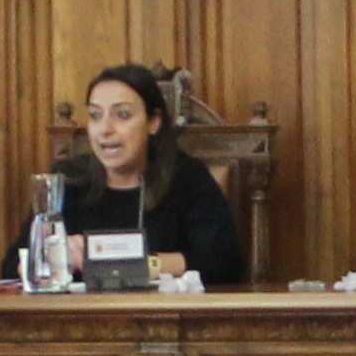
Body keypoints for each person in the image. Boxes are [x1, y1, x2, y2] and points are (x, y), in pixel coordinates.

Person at [60, 64, 245, 291]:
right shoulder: (68, 178)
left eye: (122, 115)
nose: (105, 129)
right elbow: (13, 266)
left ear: (153, 122)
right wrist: (53, 255)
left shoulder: (187, 178)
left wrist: (137, 265)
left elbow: (223, 262)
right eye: (95, 116)